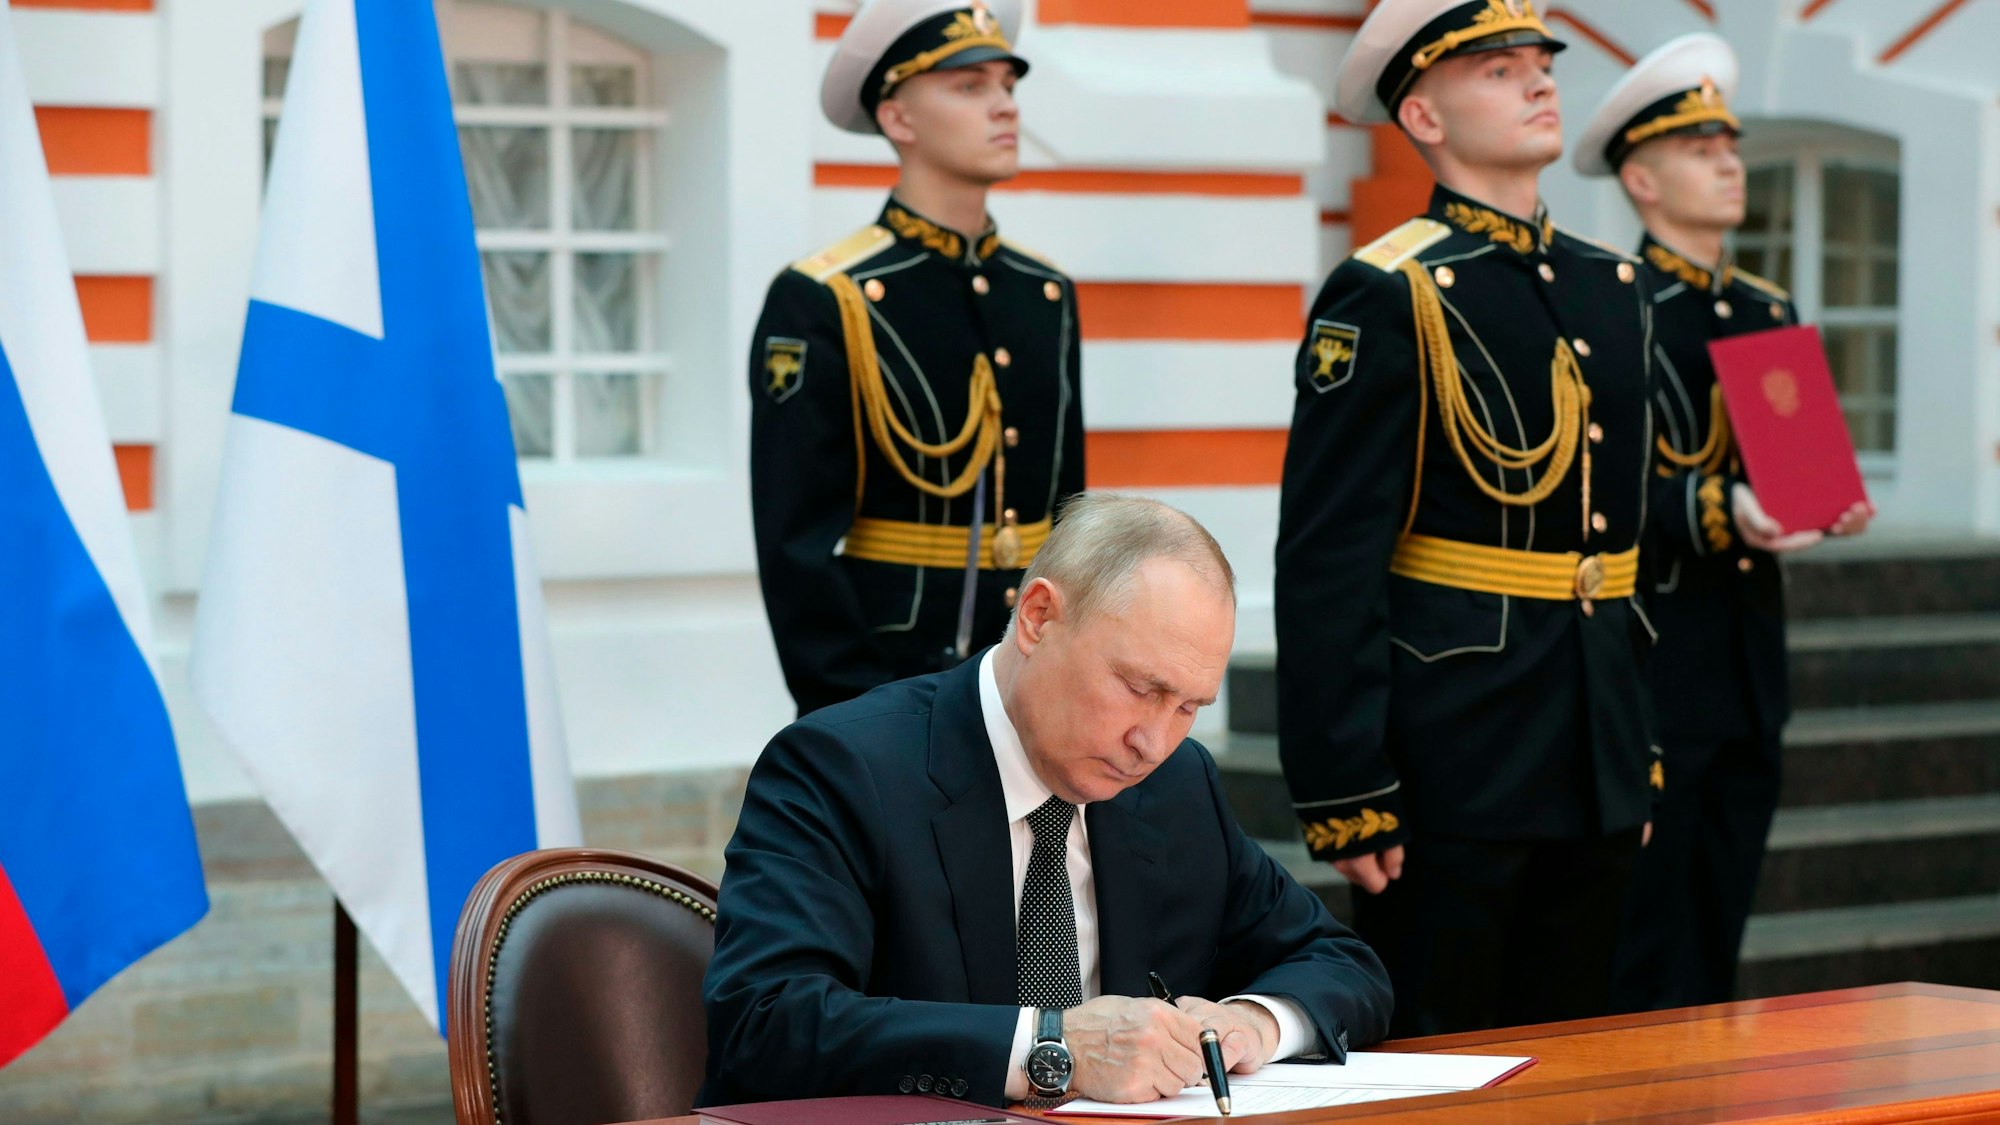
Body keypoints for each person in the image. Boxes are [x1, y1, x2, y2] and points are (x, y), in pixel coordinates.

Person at [702, 495, 1392, 1108]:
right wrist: (1052, 1047)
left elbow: (1341, 961)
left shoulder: (1178, 785)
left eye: (1188, 706)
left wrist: (1250, 1022)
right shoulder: (841, 768)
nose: (1153, 739)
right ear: (1038, 617)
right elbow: (766, 1022)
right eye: (1141, 687)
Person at [1274, 0, 1661, 1037]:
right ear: (1424, 116)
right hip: (1455, 752)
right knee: (1440, 1052)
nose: (1537, 81)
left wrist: (1635, 739)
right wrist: (1344, 784)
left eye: (1539, 62)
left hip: (1592, 749)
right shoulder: (1386, 292)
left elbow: (1624, 547)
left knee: (1576, 1056)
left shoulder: (1610, 285)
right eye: (1497, 70)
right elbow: (1327, 560)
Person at [1572, 33, 1872, 1011]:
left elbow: (1788, 454)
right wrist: (1716, 509)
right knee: (1642, 930)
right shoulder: (1615, 309)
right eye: (1700, 150)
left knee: (1720, 912)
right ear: (1642, 181)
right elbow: (1599, 495)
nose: (1728, 164)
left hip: (1748, 659)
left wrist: (1827, 499)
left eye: (1728, 146)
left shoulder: (1761, 304)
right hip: (1659, 657)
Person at [749, 0, 1085, 716]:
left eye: (1007, 86)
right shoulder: (826, 298)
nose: (1003, 107)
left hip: (1034, 683)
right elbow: (796, 553)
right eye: (970, 87)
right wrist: (858, 724)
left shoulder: (1045, 292)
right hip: (894, 685)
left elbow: (1068, 521)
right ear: (898, 119)